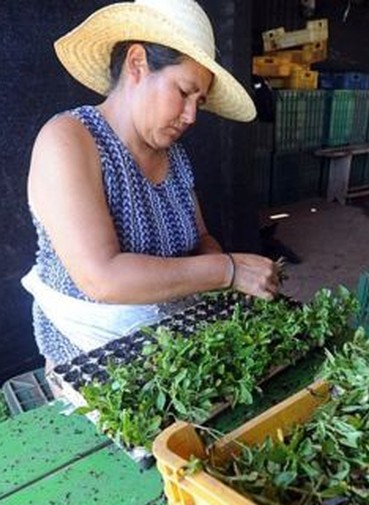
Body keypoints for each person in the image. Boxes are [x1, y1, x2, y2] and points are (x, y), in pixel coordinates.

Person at [22, 0, 279, 368]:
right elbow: (103, 278)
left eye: (199, 102)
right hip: (93, 359)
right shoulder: (69, 140)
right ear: (137, 63)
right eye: (184, 92)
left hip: (173, 342)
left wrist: (225, 284)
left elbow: (200, 238)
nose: (191, 116)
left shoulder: (175, 158)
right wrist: (228, 270)